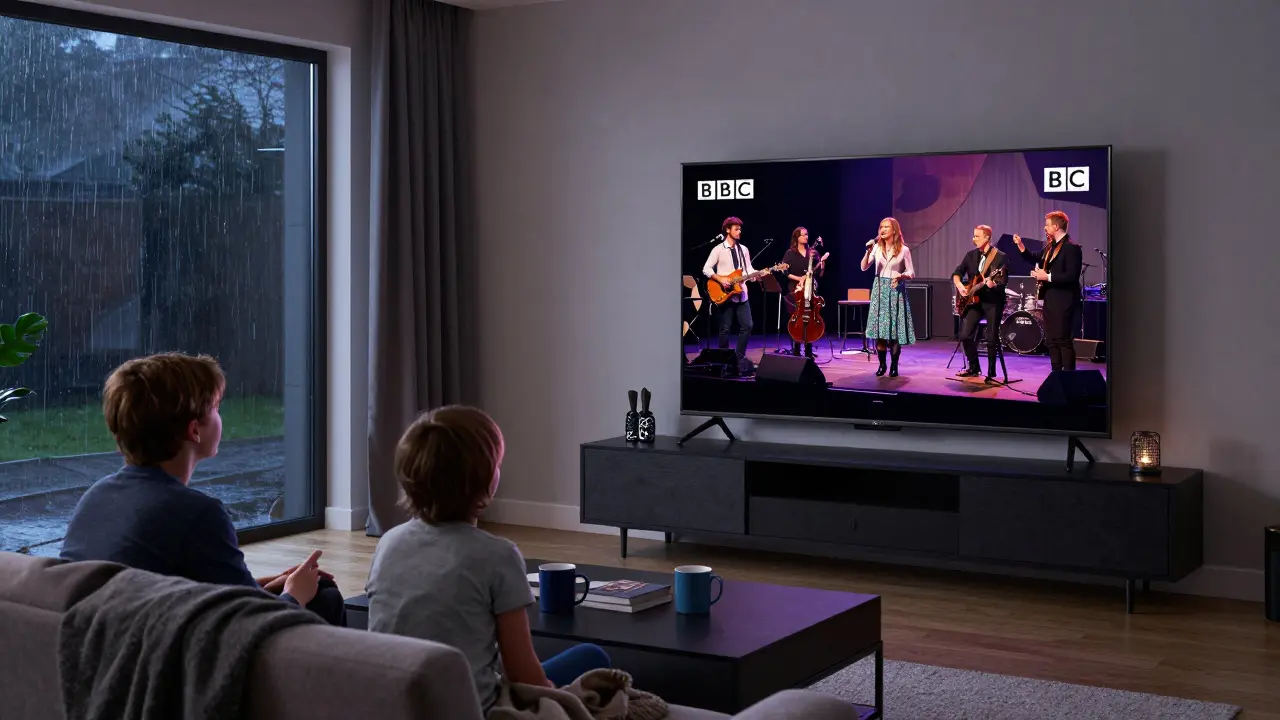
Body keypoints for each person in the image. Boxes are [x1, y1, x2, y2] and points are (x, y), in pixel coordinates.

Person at [60, 352, 345, 625]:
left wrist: (269, 585)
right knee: (325, 597)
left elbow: (185, 589)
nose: (221, 417)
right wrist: (294, 594)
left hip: (108, 642)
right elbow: (248, 624)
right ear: (194, 430)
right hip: (161, 659)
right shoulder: (196, 514)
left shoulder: (96, 496)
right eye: (216, 408)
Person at [364, 405, 610, 713]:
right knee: (591, 656)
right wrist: (558, 697)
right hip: (467, 708)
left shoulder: (388, 542)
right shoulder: (498, 556)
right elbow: (523, 673)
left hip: (393, 705)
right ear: (485, 480)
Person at [1013, 211, 1083, 371]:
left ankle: (1068, 378)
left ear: (1056, 226)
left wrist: (1047, 277)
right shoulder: (1051, 247)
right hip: (1051, 299)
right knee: (1051, 340)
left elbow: (1072, 276)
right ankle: (1056, 374)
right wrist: (1021, 246)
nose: (1045, 228)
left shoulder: (1072, 248)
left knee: (1063, 340)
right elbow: (1034, 257)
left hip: (1065, 300)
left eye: (1047, 225)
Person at [860, 217, 916, 377]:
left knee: (894, 332)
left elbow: (911, 272)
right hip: (879, 291)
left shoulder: (903, 250)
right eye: (881, 227)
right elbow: (864, 267)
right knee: (880, 332)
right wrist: (868, 252)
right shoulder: (876, 248)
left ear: (894, 230)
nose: (883, 230)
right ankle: (882, 364)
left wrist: (901, 276)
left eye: (886, 227)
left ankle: (894, 366)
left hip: (895, 290)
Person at [952, 225, 1009, 381]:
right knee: (965, 335)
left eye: (977, 236)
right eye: (974, 235)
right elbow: (957, 273)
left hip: (992, 302)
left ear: (987, 238)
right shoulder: (970, 255)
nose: (974, 239)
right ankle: (974, 367)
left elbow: (1003, 281)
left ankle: (991, 372)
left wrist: (994, 284)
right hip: (974, 301)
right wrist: (961, 287)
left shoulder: (1000, 257)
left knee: (991, 337)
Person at [702, 216, 756, 369]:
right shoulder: (718, 249)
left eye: (740, 229)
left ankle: (738, 358)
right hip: (725, 294)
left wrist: (757, 275)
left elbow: (748, 270)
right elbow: (706, 269)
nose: (739, 232)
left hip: (741, 294)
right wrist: (720, 279)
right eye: (736, 229)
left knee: (748, 325)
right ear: (727, 230)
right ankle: (724, 360)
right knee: (725, 328)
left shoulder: (743, 249)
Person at [781, 226, 827, 358]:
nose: (806, 237)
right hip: (795, 288)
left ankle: (808, 349)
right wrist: (799, 278)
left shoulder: (812, 252)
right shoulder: (790, 253)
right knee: (798, 317)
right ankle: (796, 349)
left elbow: (819, 274)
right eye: (803, 235)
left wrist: (822, 267)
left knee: (809, 316)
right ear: (797, 237)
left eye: (807, 234)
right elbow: (785, 272)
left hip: (809, 288)